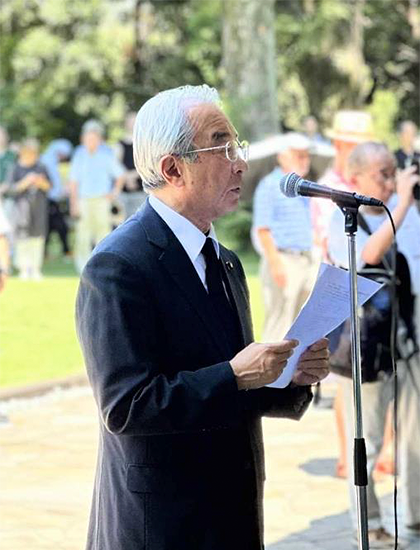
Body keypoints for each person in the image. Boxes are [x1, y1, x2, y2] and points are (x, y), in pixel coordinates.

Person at [76, 85, 330, 550]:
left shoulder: (226, 260)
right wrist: (236, 374)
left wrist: (290, 377)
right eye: (223, 147)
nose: (240, 163)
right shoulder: (118, 265)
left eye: (238, 146)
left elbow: (233, 386)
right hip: (162, 521)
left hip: (233, 509)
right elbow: (127, 406)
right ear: (173, 168)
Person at [327, 141, 420, 547]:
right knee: (368, 440)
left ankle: (415, 514)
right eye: (382, 174)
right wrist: (402, 206)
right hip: (365, 348)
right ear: (356, 177)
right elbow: (366, 255)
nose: (391, 181)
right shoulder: (342, 222)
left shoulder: (406, 210)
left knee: (415, 433)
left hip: (407, 337)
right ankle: (370, 524)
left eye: (393, 172)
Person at [252, 132, 317, 343]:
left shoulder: (302, 186)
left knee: (299, 324)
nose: (305, 161)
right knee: (279, 325)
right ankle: (271, 366)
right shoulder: (270, 184)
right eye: (299, 156)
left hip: (305, 258)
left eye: (306, 156)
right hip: (283, 259)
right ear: (283, 157)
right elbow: (262, 228)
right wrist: (275, 263)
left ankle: (293, 365)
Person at [69, 119, 125, 273]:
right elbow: (73, 182)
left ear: (100, 139)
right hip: (83, 200)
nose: (91, 142)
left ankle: (102, 265)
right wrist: (73, 204)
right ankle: (82, 268)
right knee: (83, 235)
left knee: (104, 234)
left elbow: (120, 175)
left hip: (102, 200)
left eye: (94, 138)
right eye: (88, 138)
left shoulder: (106, 155)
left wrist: (114, 193)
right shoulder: (79, 156)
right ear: (83, 139)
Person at [5, 139, 50, 280]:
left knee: (37, 239)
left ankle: (36, 268)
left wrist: (40, 182)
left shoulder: (41, 167)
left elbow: (49, 186)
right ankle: (23, 269)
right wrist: (25, 182)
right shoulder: (15, 168)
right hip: (21, 209)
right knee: (22, 239)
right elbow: (10, 189)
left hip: (39, 208)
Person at [41, 139, 73, 259]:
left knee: (54, 226)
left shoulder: (53, 161)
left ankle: (61, 251)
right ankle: (64, 251)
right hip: (48, 199)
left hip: (54, 199)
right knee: (56, 226)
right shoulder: (46, 160)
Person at [115, 111, 147, 219]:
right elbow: (116, 165)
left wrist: (133, 176)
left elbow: (146, 164)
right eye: (130, 122)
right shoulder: (119, 145)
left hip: (141, 191)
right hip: (123, 192)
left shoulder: (144, 143)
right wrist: (127, 178)